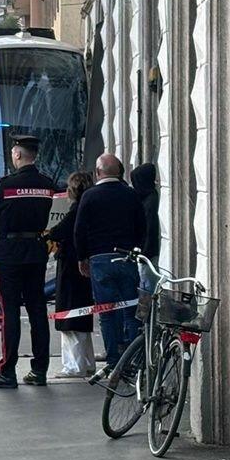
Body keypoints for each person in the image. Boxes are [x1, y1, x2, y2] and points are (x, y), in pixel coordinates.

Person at [0, 134, 55, 388]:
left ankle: (7, 370)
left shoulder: (7, 185)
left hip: (10, 253)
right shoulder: (47, 184)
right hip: (36, 251)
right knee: (37, 312)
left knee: (9, 312)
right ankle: (40, 369)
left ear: (18, 155)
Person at [73, 153, 147, 369]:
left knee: (106, 312)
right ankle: (133, 360)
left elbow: (79, 231)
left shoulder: (89, 196)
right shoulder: (131, 195)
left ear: (97, 173)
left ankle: (114, 361)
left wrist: (82, 257)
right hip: (126, 258)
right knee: (130, 309)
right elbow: (142, 227)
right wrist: (136, 250)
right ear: (121, 172)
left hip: (99, 260)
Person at [46, 171, 96, 377]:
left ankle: (74, 366)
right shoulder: (89, 209)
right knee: (82, 316)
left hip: (70, 267)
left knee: (69, 315)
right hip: (83, 267)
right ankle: (87, 362)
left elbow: (59, 231)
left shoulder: (75, 210)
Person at [131, 162, 160, 292]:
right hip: (146, 252)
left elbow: (150, 228)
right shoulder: (147, 198)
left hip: (148, 253)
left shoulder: (149, 202)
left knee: (147, 287)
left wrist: (144, 252)